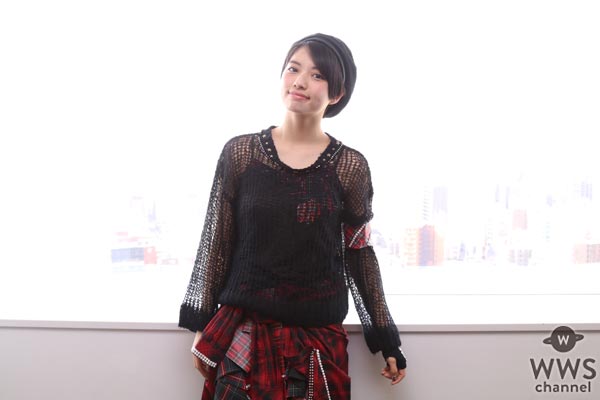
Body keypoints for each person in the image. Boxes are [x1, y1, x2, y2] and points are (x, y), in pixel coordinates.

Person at [179, 32, 406, 399]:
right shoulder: (240, 153)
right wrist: (202, 324)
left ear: (337, 94)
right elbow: (217, 240)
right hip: (243, 336)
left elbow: (359, 252)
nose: (300, 81)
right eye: (293, 69)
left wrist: (386, 340)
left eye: (317, 75)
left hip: (318, 342)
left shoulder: (350, 167)